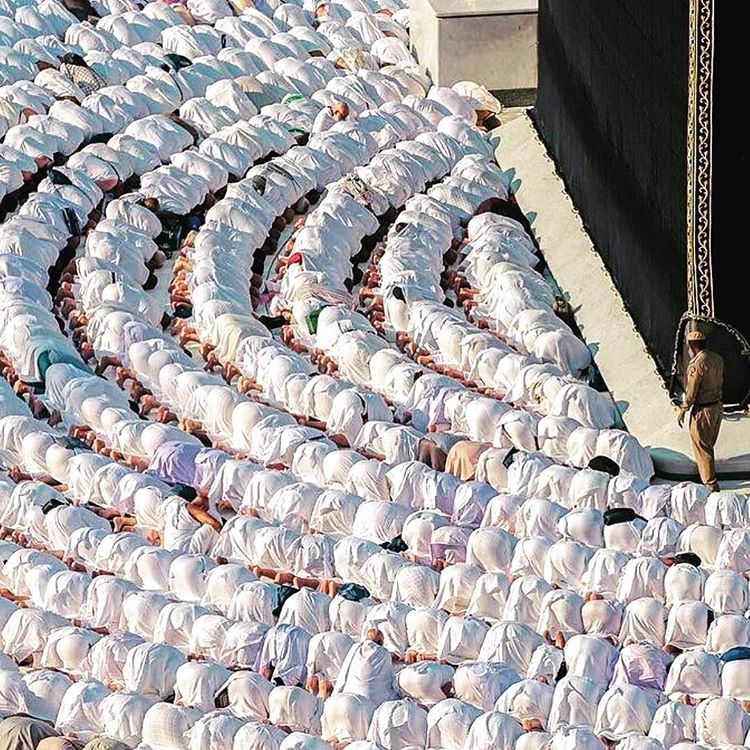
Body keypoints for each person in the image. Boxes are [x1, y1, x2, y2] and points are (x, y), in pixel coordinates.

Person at [677, 330, 724, 492]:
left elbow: (691, 391)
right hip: (716, 407)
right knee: (708, 445)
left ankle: (710, 486)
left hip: (703, 410)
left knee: (702, 447)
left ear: (692, 346)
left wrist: (683, 409)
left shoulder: (696, 365)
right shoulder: (717, 359)